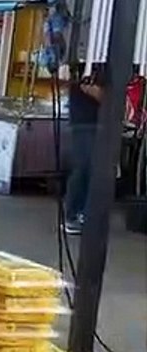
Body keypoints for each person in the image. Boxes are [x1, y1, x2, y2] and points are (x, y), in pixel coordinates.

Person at [64, 67, 102, 235]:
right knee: (83, 168)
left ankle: (85, 213)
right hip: (84, 121)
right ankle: (73, 215)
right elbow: (92, 90)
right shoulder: (83, 65)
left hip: (98, 121)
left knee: (93, 170)